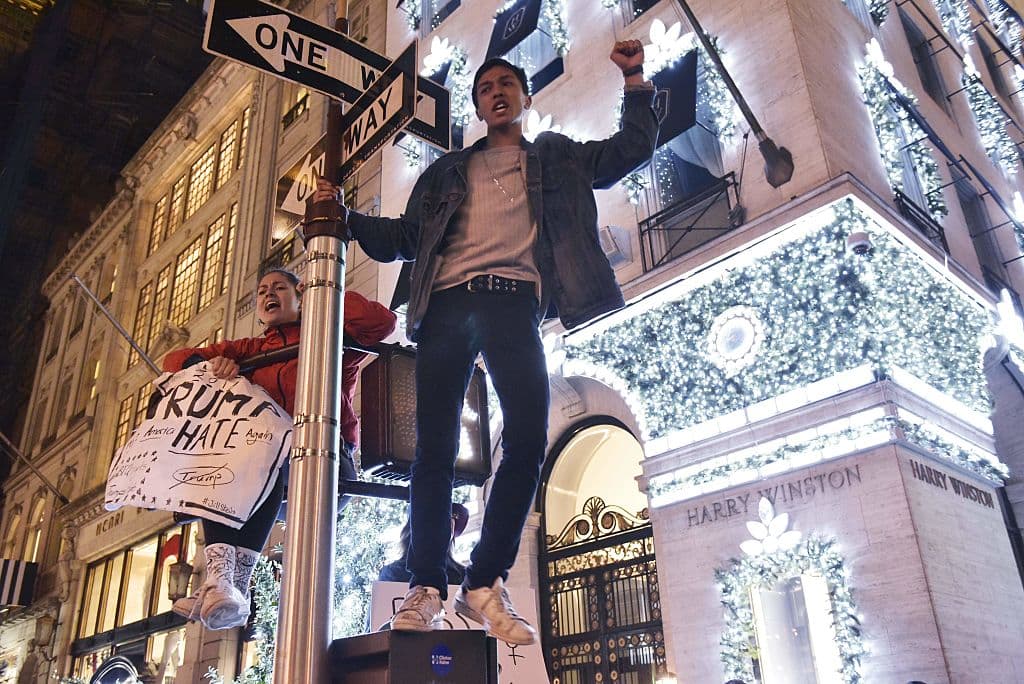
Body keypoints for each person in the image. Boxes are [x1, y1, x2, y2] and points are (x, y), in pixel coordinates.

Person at [309, 41, 657, 645]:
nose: (497, 93)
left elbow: (628, 151)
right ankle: (425, 586)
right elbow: (406, 238)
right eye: (485, 88)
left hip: (513, 302)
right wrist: (342, 216)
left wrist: (634, 79)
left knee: (526, 436)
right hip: (446, 305)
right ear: (478, 106)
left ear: (524, 98)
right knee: (433, 452)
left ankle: (485, 581)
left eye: (507, 85)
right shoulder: (447, 171)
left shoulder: (555, 157)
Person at [162, 268, 396, 630]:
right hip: (269, 470)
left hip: (328, 463)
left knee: (259, 453)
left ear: (299, 294)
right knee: (226, 458)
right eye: (262, 291)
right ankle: (225, 583)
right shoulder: (251, 350)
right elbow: (174, 361)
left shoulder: (330, 330)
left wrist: (319, 293)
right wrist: (209, 364)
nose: (269, 294)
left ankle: (230, 583)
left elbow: (381, 323)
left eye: (280, 288)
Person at [378, 502, 470, 585]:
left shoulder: (464, 577)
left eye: (446, 521)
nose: (436, 529)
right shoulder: (391, 573)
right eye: (431, 520)